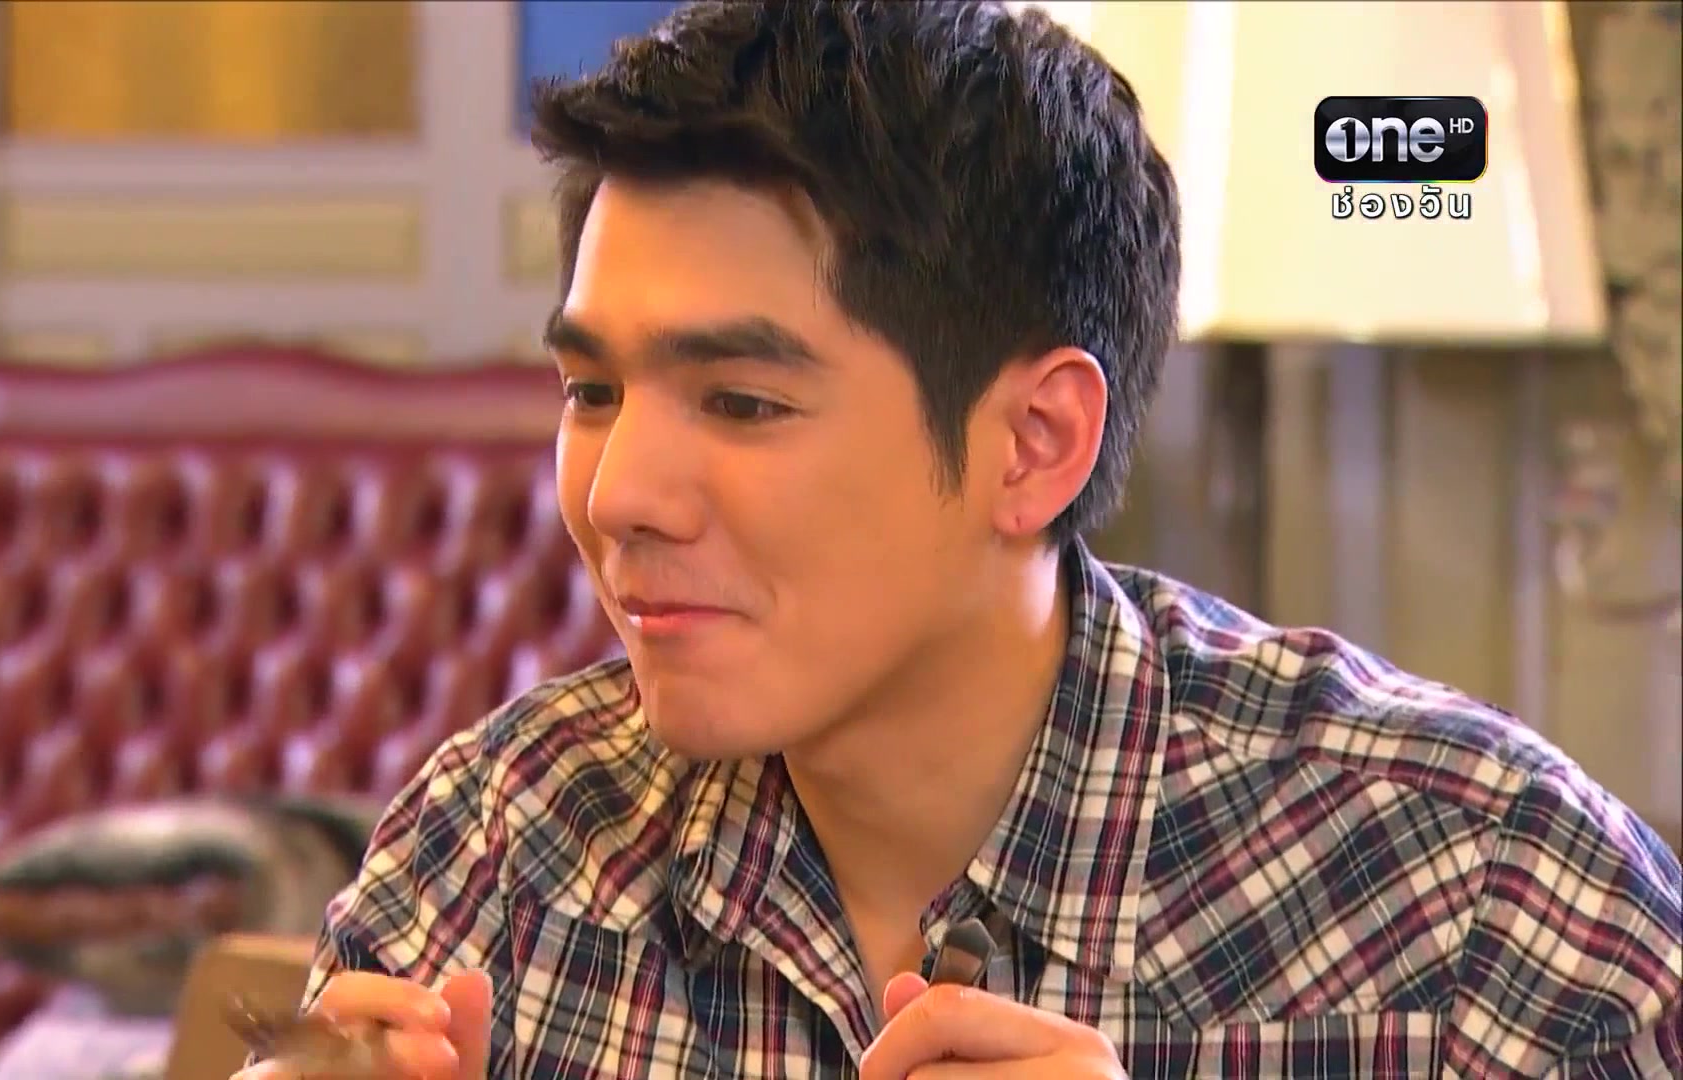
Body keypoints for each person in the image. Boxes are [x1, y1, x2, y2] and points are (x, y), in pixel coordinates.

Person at [236, 2, 1682, 1077]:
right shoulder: (504, 846)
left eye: (740, 401)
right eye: (592, 392)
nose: (618, 494)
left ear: (1034, 443)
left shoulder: (1490, 910)